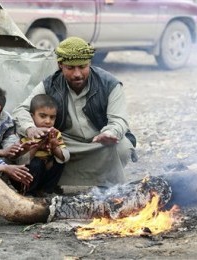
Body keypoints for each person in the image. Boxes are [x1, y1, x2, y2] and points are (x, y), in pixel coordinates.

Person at [13, 36, 137, 188]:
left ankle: (104, 184)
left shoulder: (109, 84)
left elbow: (119, 120)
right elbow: (21, 110)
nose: (77, 74)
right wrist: (30, 128)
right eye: (70, 68)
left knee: (122, 148)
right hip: (67, 142)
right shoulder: (50, 84)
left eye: (82, 67)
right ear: (60, 65)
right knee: (34, 146)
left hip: (98, 141)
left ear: (89, 63)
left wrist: (110, 133)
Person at [19, 94, 70, 196]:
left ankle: (47, 191)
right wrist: (37, 145)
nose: (48, 121)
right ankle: (29, 192)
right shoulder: (27, 133)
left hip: (46, 169)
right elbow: (22, 160)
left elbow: (65, 157)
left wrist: (55, 147)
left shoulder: (55, 133)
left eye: (52, 118)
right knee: (36, 163)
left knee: (59, 162)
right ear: (32, 116)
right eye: (42, 116)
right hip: (31, 171)